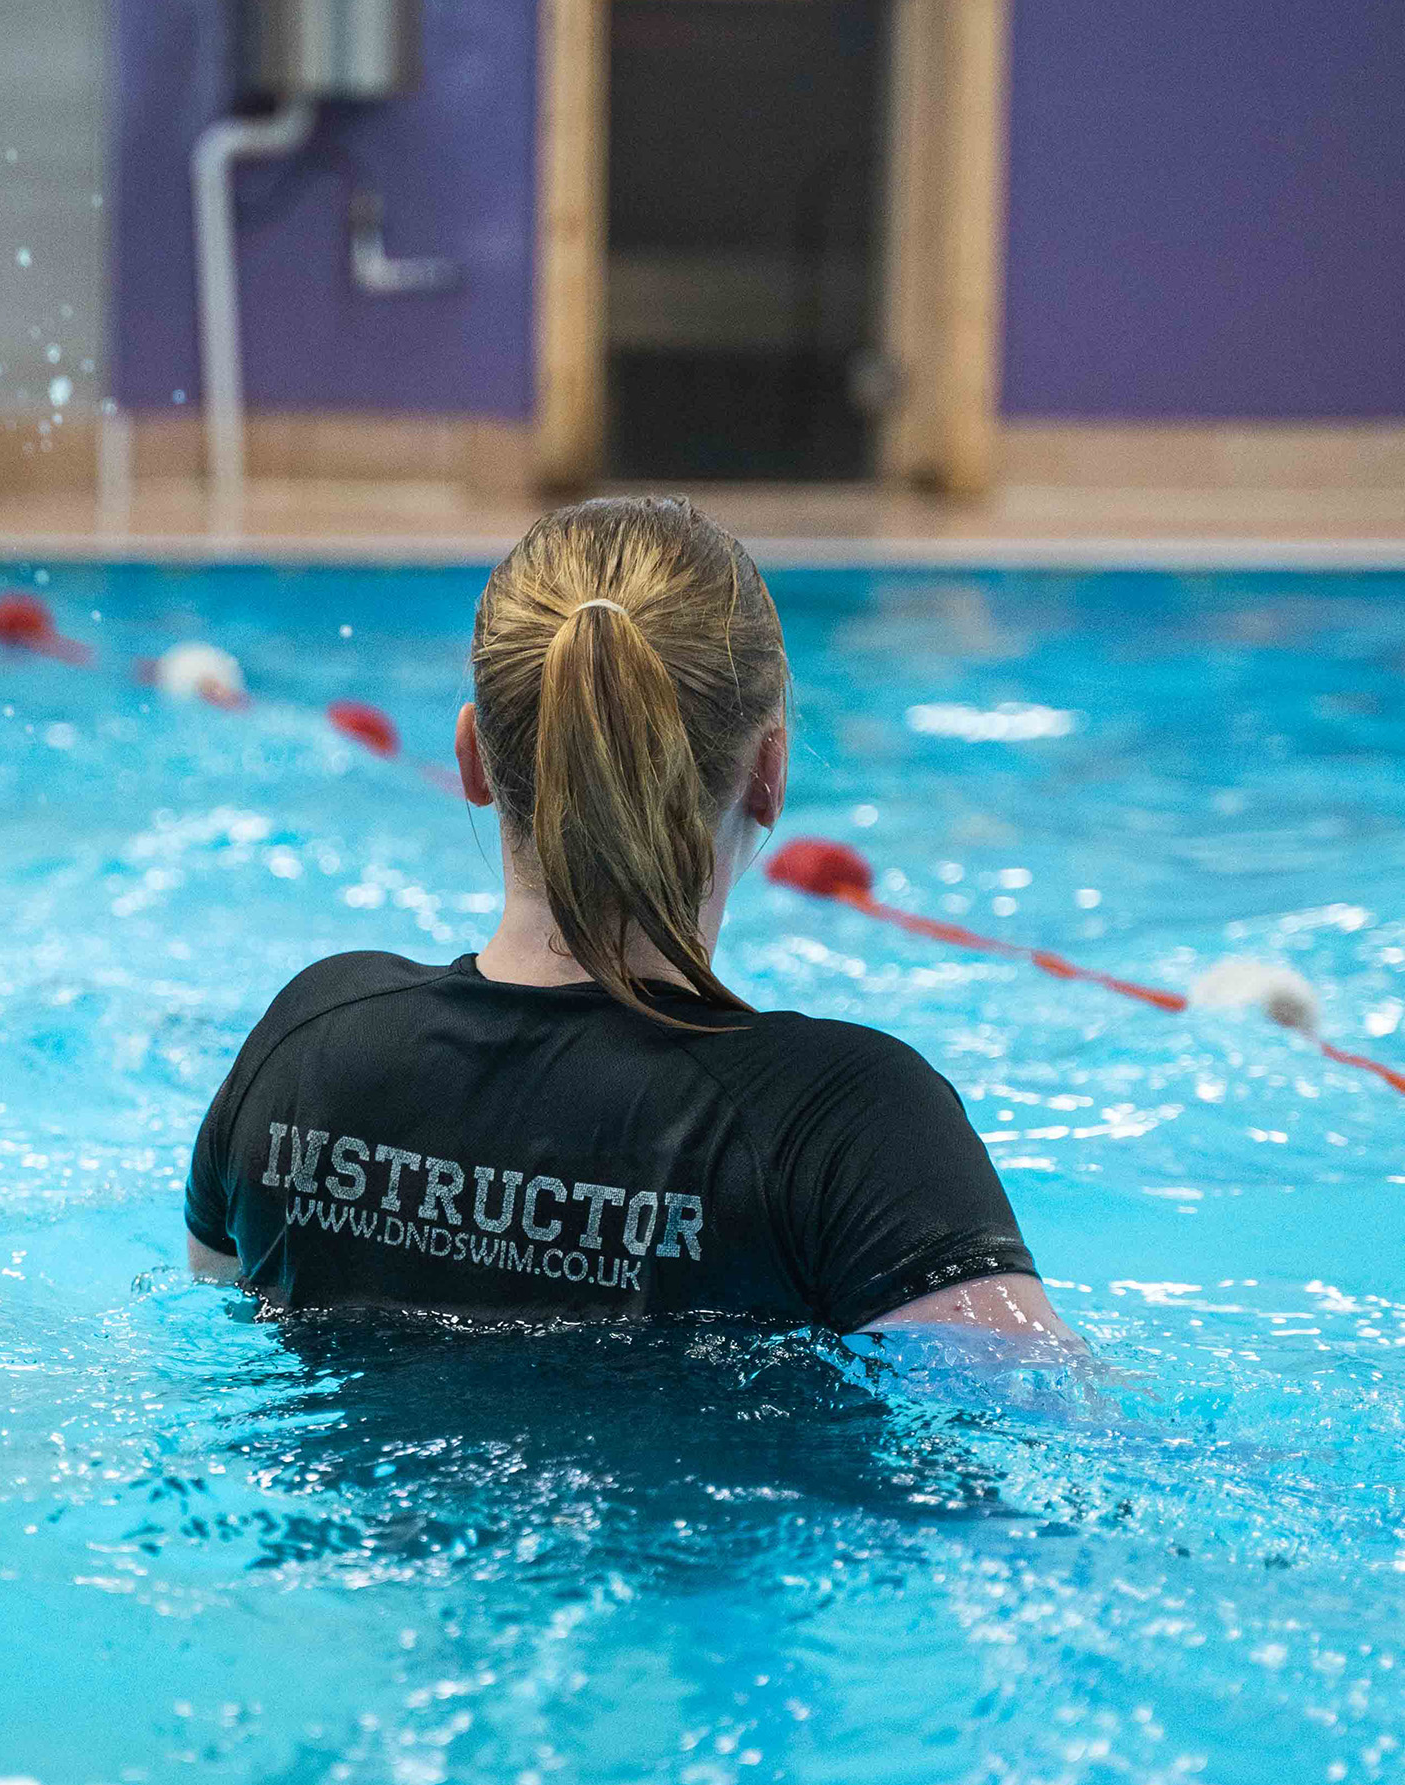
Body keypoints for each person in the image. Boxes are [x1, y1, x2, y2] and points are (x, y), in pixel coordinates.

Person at [185, 496, 1074, 1353]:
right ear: (770, 772)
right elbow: (1045, 1419)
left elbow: (218, 1318)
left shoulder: (305, 1048)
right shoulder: (844, 1127)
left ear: (472, 759)